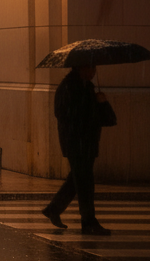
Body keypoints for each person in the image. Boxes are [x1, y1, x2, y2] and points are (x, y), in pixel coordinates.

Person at [43, 65, 110, 235]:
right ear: (80, 68)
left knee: (77, 179)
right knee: (85, 182)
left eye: (94, 68)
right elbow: (64, 113)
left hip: (86, 141)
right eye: (90, 68)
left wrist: (100, 102)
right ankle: (88, 221)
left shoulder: (86, 86)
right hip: (76, 142)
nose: (94, 72)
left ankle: (54, 209)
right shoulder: (68, 87)